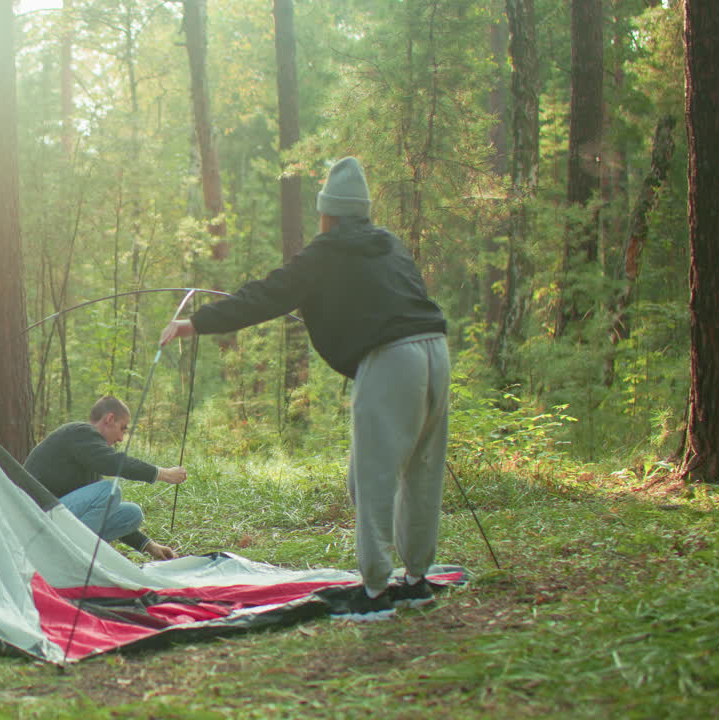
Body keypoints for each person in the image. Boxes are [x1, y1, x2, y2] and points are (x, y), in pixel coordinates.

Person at [160, 156, 449, 620]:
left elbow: (267, 296)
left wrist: (195, 323)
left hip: (392, 361)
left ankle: (376, 593)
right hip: (436, 350)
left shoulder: (325, 253)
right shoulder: (390, 245)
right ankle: (416, 581)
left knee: (372, 481)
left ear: (328, 213)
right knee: (421, 469)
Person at [24, 396, 187, 560]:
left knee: (132, 514)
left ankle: (74, 551)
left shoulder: (89, 455)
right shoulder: (80, 432)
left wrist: (148, 545)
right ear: (110, 419)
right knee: (109, 490)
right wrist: (163, 473)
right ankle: (73, 557)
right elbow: (112, 462)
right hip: (35, 522)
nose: (121, 438)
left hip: (57, 518)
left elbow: (102, 512)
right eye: (123, 428)